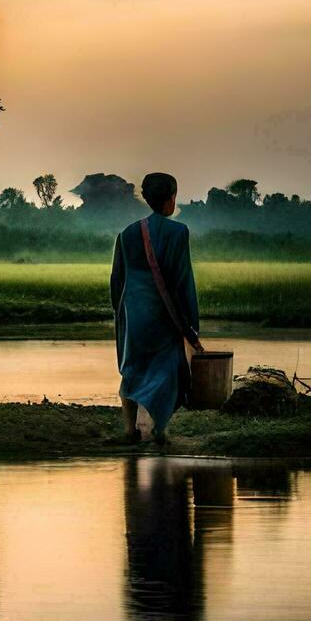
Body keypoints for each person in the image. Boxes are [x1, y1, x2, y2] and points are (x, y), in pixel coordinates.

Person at [110, 172, 203, 445]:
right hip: (164, 315)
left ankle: (130, 430)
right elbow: (183, 280)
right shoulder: (178, 232)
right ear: (170, 198)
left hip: (133, 313)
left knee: (133, 369)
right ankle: (160, 430)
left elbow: (117, 279)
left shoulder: (127, 234)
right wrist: (191, 326)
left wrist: (121, 314)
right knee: (170, 371)